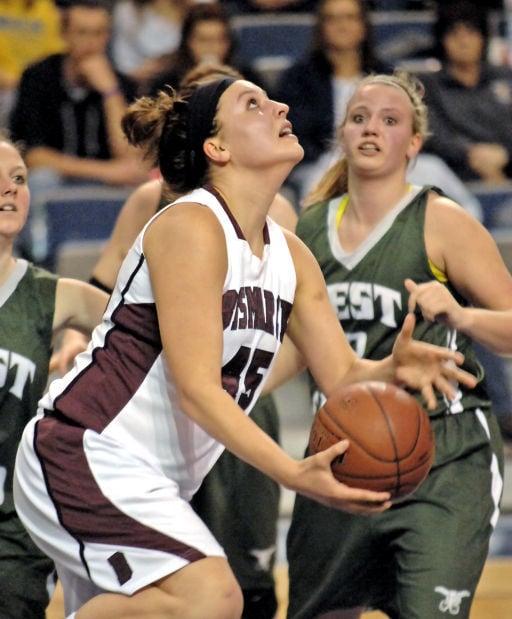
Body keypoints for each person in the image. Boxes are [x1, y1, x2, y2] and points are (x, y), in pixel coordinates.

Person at [13, 73, 474, 619]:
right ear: (218, 147)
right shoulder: (190, 224)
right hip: (87, 450)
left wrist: (392, 367)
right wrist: (290, 472)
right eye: (253, 104)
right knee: (214, 596)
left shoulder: (292, 256)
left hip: (153, 475)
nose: (280, 104)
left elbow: (342, 376)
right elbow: (198, 391)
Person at [286, 70, 511, 619]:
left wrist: (463, 314)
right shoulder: (307, 230)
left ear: (413, 143)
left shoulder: (442, 221)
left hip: (443, 451)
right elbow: (297, 349)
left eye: (390, 121)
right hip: (339, 450)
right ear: (342, 133)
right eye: (359, 118)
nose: (371, 129)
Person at [0, 131, 109, 619]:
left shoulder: (52, 295)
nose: (11, 189)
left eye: (19, 178)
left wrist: (88, 344)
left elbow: (150, 331)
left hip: (10, 534)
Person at [8, 0, 148, 263]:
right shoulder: (38, 78)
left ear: (108, 36)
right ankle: (38, 263)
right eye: (82, 33)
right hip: (60, 181)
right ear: (65, 35)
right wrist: (108, 171)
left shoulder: (123, 85)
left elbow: (130, 156)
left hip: (106, 183)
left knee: (146, 187)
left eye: (98, 33)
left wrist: (110, 93)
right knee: (39, 180)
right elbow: (35, 158)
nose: (91, 43)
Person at [273, 0, 392, 206]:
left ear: (364, 25)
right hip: (320, 161)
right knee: (320, 183)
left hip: (384, 158)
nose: (342, 25)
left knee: (433, 170)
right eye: (333, 18)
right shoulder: (298, 79)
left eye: (350, 18)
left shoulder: (387, 76)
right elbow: (294, 133)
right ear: (321, 27)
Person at [420, 1, 512, 183]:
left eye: (471, 32)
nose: (463, 41)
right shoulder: (428, 87)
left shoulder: (506, 78)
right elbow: (433, 135)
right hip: (454, 178)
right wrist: (471, 154)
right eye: (454, 34)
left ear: (483, 37)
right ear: (442, 39)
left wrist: (505, 153)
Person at [148, 3, 264, 96]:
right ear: (188, 42)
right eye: (204, 40)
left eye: (220, 40)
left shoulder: (247, 78)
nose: (213, 47)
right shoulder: (166, 84)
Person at [0, 0, 65, 128]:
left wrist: (32, 82)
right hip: (5, 87)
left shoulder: (47, 8)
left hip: (35, 86)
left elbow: (54, 55)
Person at [110, 0, 189, 94]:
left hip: (185, 77)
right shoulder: (127, 10)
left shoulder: (197, 5)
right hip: (139, 84)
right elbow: (122, 60)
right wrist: (135, 73)